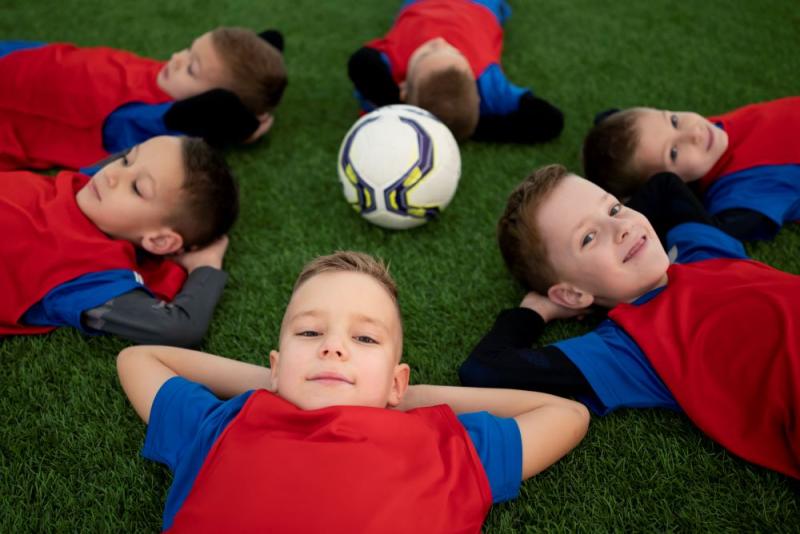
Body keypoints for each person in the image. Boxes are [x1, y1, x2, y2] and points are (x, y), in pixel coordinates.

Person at [117, 251, 589, 531]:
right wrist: (281, 383)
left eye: (364, 339)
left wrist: (403, 396)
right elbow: (139, 359)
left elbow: (566, 413)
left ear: (397, 380)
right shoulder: (221, 427)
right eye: (309, 334)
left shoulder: (446, 449)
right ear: (275, 366)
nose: (333, 348)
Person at [460, 165, 800, 480]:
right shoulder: (628, 348)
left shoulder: (703, 252)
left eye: (613, 209)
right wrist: (535, 311)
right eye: (588, 238)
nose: (620, 228)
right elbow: (485, 369)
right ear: (572, 295)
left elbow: (665, 186)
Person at [1, 135, 238, 347]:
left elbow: (179, 329)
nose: (112, 173)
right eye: (126, 160)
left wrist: (205, 265)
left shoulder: (92, 276)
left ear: (159, 241)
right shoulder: (83, 186)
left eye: (137, 188)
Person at [0, 27, 287, 171]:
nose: (176, 58)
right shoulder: (168, 78)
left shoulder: (160, 120)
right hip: (31, 61)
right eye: (188, 50)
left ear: (212, 104)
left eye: (191, 68)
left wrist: (235, 127)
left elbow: (132, 129)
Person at [581, 97, 800, 241]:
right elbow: (716, 235)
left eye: (674, 120)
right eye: (673, 153)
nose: (694, 133)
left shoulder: (709, 136)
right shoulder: (742, 191)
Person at [347, 0, 563, 142]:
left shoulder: (394, 64)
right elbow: (549, 120)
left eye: (427, 52)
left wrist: (399, 107)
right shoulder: (485, 81)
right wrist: (469, 125)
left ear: (403, 87)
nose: (440, 41)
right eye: (458, 54)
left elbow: (361, 63)